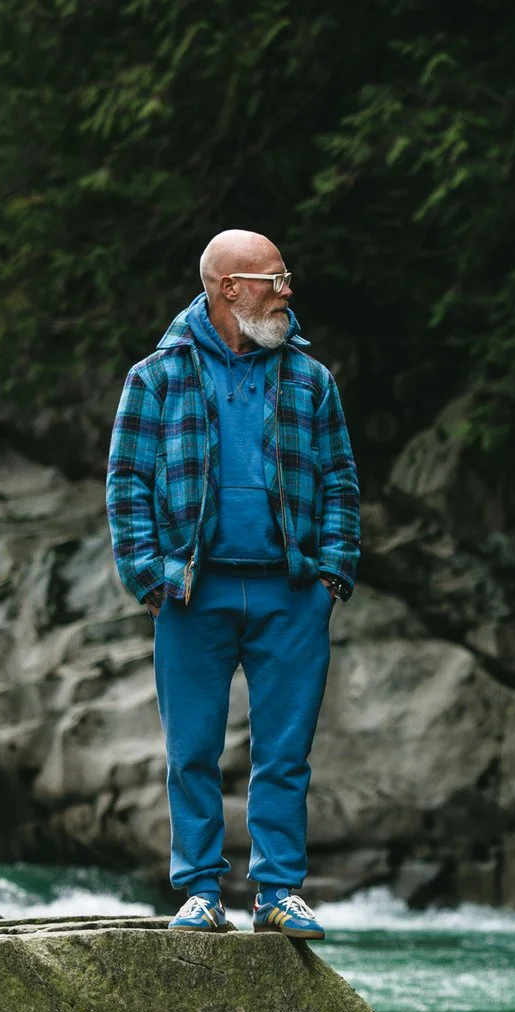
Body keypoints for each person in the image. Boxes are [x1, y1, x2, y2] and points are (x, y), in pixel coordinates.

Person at [106, 229, 359, 939]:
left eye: (285, 278)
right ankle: (199, 892)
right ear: (227, 288)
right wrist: (147, 575)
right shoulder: (156, 376)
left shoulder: (311, 379)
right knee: (191, 750)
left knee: (284, 754)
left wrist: (334, 571)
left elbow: (340, 478)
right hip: (191, 593)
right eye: (272, 279)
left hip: (292, 593)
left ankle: (277, 893)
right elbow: (126, 483)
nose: (287, 291)